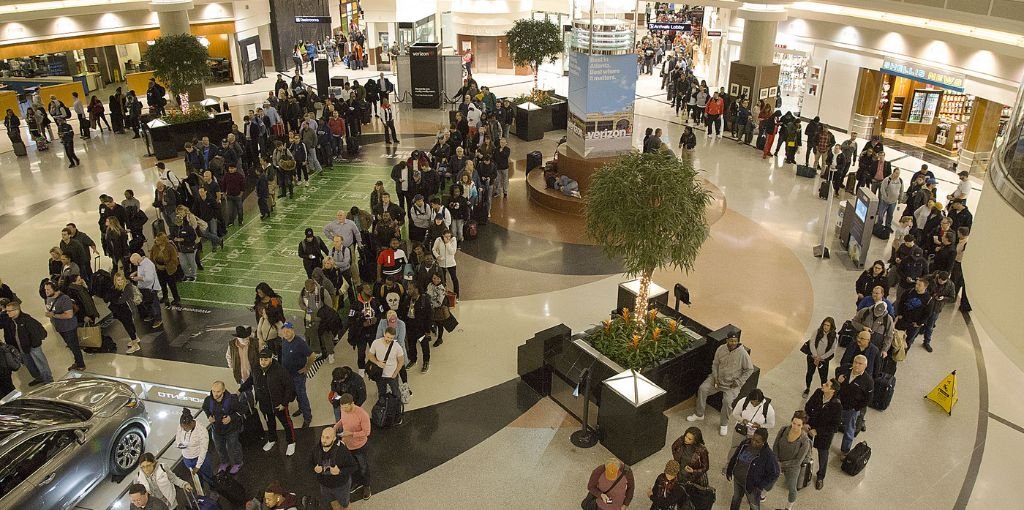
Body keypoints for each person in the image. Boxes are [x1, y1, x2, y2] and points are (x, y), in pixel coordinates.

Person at [688, 333, 756, 436]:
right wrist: (715, 377)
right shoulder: (721, 349)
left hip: (731, 385)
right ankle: (699, 414)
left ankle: (724, 424)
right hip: (717, 380)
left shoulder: (742, 354)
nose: (733, 343)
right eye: (731, 340)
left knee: (727, 402)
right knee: (703, 389)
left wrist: (738, 382)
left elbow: (749, 370)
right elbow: (715, 364)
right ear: (727, 340)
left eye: (735, 341)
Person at [242, 349, 297, 456]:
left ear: (271, 359)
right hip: (264, 404)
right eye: (261, 359)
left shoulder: (280, 370)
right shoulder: (256, 369)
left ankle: (291, 442)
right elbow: (250, 380)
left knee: (286, 423)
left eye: (265, 360)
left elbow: (289, 387)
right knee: (269, 422)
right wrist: (241, 390)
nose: (263, 362)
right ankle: (272, 439)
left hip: (279, 404)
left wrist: (284, 403)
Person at [725, 428, 779, 510]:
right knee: (736, 498)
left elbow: (774, 473)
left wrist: (760, 485)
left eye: (757, 442)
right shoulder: (745, 443)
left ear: (763, 442)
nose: (753, 442)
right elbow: (736, 456)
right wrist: (730, 469)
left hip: (753, 486)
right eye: (753, 439)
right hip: (738, 480)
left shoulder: (768, 455)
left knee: (754, 505)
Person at [804, 378, 843, 490]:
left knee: (823, 454)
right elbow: (808, 406)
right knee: (805, 448)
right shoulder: (818, 393)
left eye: (827, 384)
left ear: (833, 390)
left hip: (824, 435)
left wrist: (818, 431)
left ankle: (820, 477)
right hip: (810, 427)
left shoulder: (837, 406)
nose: (823, 385)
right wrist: (806, 422)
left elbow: (834, 427)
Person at [4, 299, 53, 385]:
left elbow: (39, 332)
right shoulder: (12, 321)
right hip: (22, 348)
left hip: (33, 347)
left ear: (16, 310)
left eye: (9, 311)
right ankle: (39, 378)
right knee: (30, 366)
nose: (7, 313)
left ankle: (49, 381)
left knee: (41, 364)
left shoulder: (27, 320)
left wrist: (33, 345)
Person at [333, 393, 373, 500]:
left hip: (360, 446)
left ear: (352, 403)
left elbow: (367, 432)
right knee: (353, 466)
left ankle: (366, 485)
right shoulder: (343, 409)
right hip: (348, 445)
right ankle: (356, 482)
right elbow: (343, 420)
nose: (344, 409)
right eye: (342, 407)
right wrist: (336, 426)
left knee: (363, 466)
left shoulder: (362, 415)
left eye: (346, 407)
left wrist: (350, 434)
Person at [202, 381, 245, 474]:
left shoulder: (232, 400)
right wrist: (209, 415)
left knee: (233, 447)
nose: (215, 394)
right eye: (213, 391)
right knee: (219, 448)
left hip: (231, 429)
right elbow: (205, 408)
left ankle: (238, 463)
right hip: (217, 430)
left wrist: (231, 418)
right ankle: (224, 462)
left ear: (223, 390)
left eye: (218, 392)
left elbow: (242, 410)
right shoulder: (208, 400)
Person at [313, 426, 360, 509]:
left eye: (327, 438)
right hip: (324, 485)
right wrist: (314, 469)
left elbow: (354, 466)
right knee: (333, 503)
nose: (324, 440)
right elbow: (310, 463)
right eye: (322, 437)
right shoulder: (317, 449)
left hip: (340, 486)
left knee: (345, 505)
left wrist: (340, 471)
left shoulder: (342, 451)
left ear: (334, 439)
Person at [42, 280, 85, 371]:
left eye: (48, 289)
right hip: (60, 327)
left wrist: (53, 315)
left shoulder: (64, 299)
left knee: (74, 346)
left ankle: (80, 364)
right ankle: (78, 361)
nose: (46, 292)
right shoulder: (49, 298)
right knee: (70, 345)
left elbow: (69, 315)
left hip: (68, 327)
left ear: (55, 289)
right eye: (45, 290)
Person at [773, 411, 812, 510]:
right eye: (794, 423)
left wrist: (781, 464)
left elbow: (798, 461)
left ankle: (789, 507)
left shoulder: (805, 441)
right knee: (770, 480)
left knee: (792, 487)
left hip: (792, 467)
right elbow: (775, 445)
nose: (795, 427)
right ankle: (762, 496)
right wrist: (776, 460)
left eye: (798, 425)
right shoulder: (784, 430)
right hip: (778, 460)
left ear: (803, 426)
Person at [280, 322, 316, 427]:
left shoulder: (300, 343)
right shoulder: (284, 341)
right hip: (287, 375)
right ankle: (301, 409)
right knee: (295, 394)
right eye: (284, 331)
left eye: (288, 331)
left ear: (293, 330)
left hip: (298, 376)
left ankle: (307, 417)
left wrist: (306, 368)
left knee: (302, 395)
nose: (286, 333)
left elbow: (312, 356)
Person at [837, 354, 874, 455]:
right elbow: (837, 370)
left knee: (849, 429)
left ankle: (845, 450)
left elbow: (868, 399)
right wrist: (838, 377)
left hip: (851, 409)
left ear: (865, 366)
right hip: (839, 404)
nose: (857, 365)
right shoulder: (846, 369)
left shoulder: (868, 381)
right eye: (855, 362)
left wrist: (856, 408)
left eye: (860, 364)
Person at [727, 389, 777, 464]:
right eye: (752, 402)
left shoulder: (768, 409)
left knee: (750, 452)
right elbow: (735, 414)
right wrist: (742, 420)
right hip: (741, 430)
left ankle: (743, 467)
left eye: (757, 403)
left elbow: (771, 424)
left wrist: (760, 426)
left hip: (755, 434)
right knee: (735, 448)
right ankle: (729, 464)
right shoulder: (743, 401)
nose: (754, 404)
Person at [367, 327, 405, 400]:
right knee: (381, 393)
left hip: (392, 375)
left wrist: (395, 373)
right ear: (384, 334)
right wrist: (377, 362)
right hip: (380, 374)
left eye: (391, 338)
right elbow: (370, 355)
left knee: (396, 393)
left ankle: (396, 405)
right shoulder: (376, 343)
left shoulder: (397, 347)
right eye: (388, 337)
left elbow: (401, 361)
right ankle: (383, 406)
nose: (389, 340)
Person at [896, 278, 934, 350]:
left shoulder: (928, 299)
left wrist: (919, 323)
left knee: (909, 341)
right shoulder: (909, 292)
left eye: (919, 285)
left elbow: (927, 313)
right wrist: (899, 314)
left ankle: (903, 353)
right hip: (903, 319)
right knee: (897, 336)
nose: (916, 286)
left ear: (925, 287)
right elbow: (901, 302)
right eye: (916, 284)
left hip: (914, 324)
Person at [802, 317, 838, 395]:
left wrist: (821, 358)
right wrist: (815, 356)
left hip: (823, 360)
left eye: (828, 325)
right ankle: (807, 388)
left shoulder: (834, 336)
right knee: (810, 373)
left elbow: (832, 350)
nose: (825, 327)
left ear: (831, 327)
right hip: (812, 357)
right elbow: (812, 343)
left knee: (823, 377)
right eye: (824, 324)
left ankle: (823, 391)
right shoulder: (817, 332)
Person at [130, 253, 163, 328]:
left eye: (133, 262)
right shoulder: (141, 263)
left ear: (137, 260)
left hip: (151, 288)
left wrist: (138, 278)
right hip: (145, 287)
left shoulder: (147, 265)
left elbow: (149, 278)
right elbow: (143, 272)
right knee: (147, 303)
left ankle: (158, 319)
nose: (134, 264)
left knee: (154, 304)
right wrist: (136, 273)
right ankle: (151, 315)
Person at [431, 229, 460, 297]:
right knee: (443, 279)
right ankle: (442, 295)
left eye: (449, 236)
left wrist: (447, 243)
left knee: (454, 279)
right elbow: (434, 249)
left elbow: (452, 252)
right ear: (443, 236)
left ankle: (457, 295)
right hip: (441, 263)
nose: (448, 238)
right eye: (446, 236)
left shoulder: (453, 240)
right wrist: (437, 256)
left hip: (451, 263)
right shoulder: (438, 240)